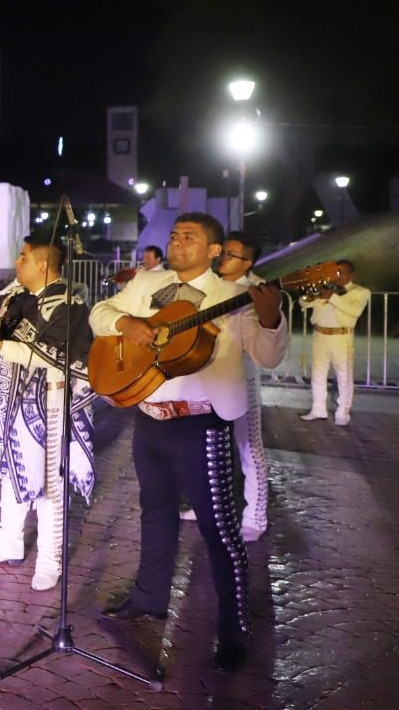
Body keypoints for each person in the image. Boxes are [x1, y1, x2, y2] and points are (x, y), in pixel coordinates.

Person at [90, 212, 287, 674]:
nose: (177, 242)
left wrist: (271, 315)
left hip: (202, 426)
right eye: (174, 235)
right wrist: (127, 325)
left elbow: (270, 356)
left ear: (215, 251)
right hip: (149, 420)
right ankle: (149, 597)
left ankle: (234, 630)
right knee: (155, 513)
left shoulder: (235, 298)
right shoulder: (147, 281)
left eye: (189, 238)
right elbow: (101, 313)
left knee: (220, 531)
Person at [0, 235, 96, 591]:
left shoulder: (70, 305)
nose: (17, 263)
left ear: (42, 264)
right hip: (12, 401)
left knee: (50, 484)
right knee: (13, 473)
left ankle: (50, 561)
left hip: (50, 404)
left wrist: (0, 344)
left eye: (22, 257)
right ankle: (9, 543)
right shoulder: (16, 297)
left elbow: (55, 355)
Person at [215, 232, 269, 541]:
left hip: (240, 379)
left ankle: (255, 517)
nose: (223, 257)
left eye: (231, 254)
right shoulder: (207, 286)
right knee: (211, 449)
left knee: (249, 447)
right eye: (223, 251)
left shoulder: (258, 291)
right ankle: (210, 507)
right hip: (205, 379)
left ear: (247, 261)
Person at [299, 259, 370, 427]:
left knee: (344, 376)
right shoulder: (325, 288)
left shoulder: (360, 292)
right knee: (317, 373)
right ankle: (318, 409)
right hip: (319, 334)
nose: (337, 276)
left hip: (341, 337)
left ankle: (342, 412)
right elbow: (303, 302)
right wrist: (315, 294)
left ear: (351, 274)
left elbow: (354, 311)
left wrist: (332, 297)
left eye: (341, 272)